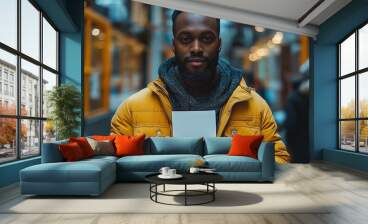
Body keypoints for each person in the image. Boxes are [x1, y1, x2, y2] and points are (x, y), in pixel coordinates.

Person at [111, 11, 290, 163]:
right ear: (174, 45)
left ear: (219, 45)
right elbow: (117, 165)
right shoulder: (132, 111)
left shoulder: (255, 107)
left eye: (206, 38)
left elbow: (278, 160)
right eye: (186, 39)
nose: (196, 48)